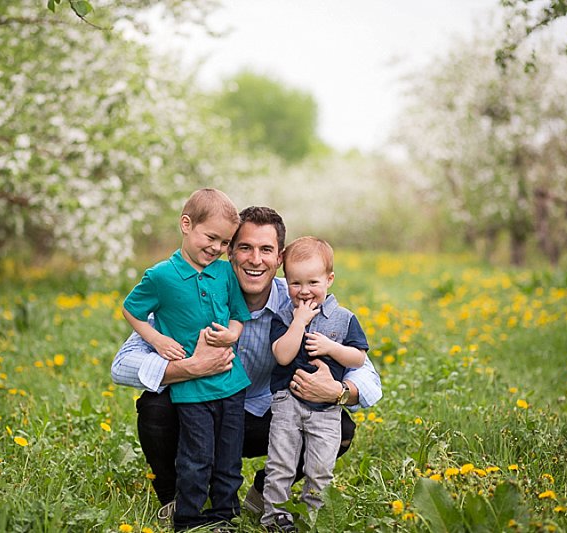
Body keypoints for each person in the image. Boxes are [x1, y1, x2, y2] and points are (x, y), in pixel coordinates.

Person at [110, 206, 383, 523]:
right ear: (229, 252)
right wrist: (189, 368)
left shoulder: (298, 300)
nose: (255, 259)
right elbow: (122, 364)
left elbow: (365, 372)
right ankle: (175, 500)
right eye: (245, 247)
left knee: (341, 426)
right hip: (202, 413)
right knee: (156, 406)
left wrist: (337, 391)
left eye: (266, 249)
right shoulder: (195, 293)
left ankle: (262, 493)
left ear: (279, 259)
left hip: (270, 419)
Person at [121, 188, 251, 531]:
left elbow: (238, 315)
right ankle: (189, 519)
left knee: (228, 458)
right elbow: (131, 310)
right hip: (190, 390)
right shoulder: (161, 276)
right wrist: (158, 339)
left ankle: (225, 515)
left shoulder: (225, 274)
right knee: (196, 458)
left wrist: (233, 334)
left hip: (231, 382)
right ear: (186, 225)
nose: (217, 248)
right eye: (211, 237)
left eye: (225, 243)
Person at [261, 237, 369, 531]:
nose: (304, 291)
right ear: (287, 281)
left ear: (329, 279)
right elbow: (282, 356)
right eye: (295, 283)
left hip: (326, 409)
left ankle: (314, 515)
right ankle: (274, 515)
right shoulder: (284, 316)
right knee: (281, 462)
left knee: (320, 467)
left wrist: (330, 348)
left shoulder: (344, 319)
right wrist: (298, 322)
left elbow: (357, 358)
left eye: (313, 282)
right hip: (287, 402)